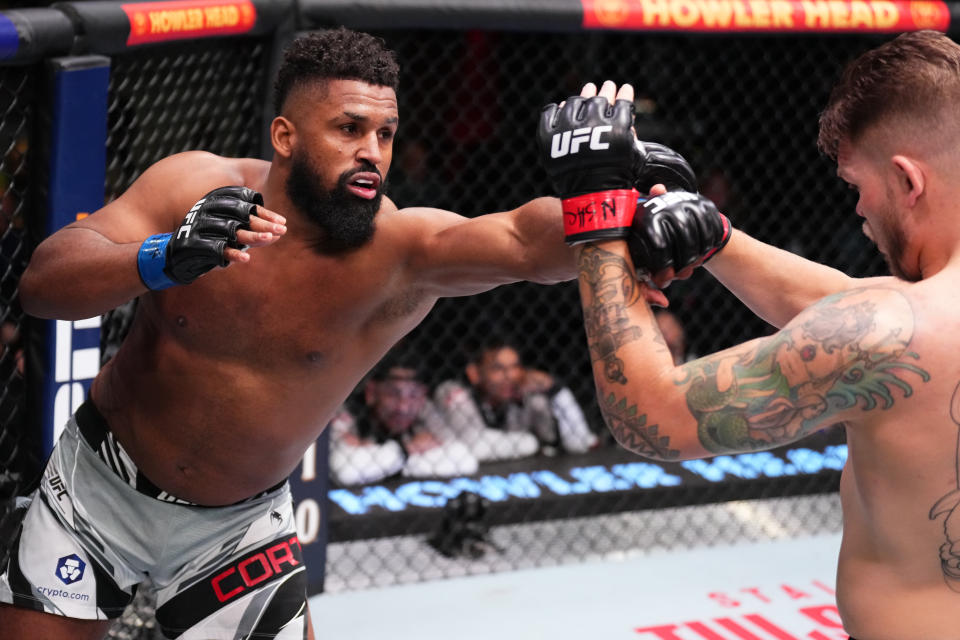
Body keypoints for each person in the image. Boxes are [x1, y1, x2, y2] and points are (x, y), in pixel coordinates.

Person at [0, 23, 692, 636]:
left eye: (385, 134)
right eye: (349, 129)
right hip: (97, 486)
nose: (373, 152)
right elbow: (44, 282)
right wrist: (160, 259)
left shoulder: (401, 254)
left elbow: (519, 240)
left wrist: (613, 203)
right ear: (285, 136)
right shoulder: (192, 186)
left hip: (236, 527)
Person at [538, 31, 960, 639]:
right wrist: (716, 239)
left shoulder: (891, 332)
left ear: (908, 182)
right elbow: (866, 309)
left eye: (857, 187)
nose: (860, 213)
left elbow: (648, 413)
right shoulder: (903, 318)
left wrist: (595, 214)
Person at [329, 352, 478, 485]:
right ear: (371, 392)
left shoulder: (424, 409)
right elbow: (345, 471)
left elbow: (465, 460)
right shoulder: (347, 410)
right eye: (393, 394)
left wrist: (382, 461)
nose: (403, 407)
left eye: (413, 395)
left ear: (422, 396)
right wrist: (407, 450)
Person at [434, 337, 597, 458]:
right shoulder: (453, 392)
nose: (510, 376)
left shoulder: (527, 396)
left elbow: (579, 442)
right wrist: (532, 443)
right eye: (498, 369)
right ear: (474, 373)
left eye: (515, 367)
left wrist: (556, 390)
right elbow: (475, 446)